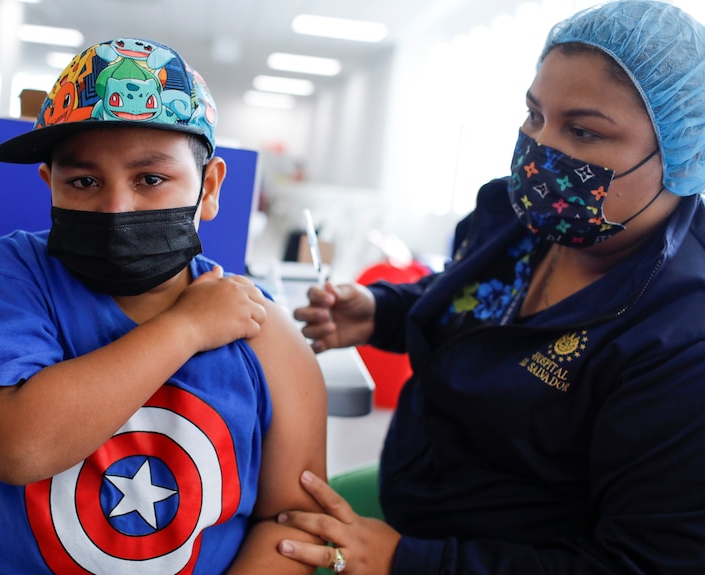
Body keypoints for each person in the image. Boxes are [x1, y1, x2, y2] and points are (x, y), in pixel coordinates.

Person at [276, 1, 705, 573]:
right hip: (415, 498)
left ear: (683, 155)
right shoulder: (515, 215)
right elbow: (476, 306)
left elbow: (639, 563)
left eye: (582, 131)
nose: (540, 152)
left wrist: (410, 562)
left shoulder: (683, 339)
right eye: (534, 115)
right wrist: (384, 311)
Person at [0, 37, 328, 575]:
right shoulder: (10, 279)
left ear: (209, 188)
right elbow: (19, 448)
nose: (116, 207)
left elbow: (294, 525)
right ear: (50, 185)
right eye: (84, 181)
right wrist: (185, 328)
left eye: (151, 179)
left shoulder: (263, 331)